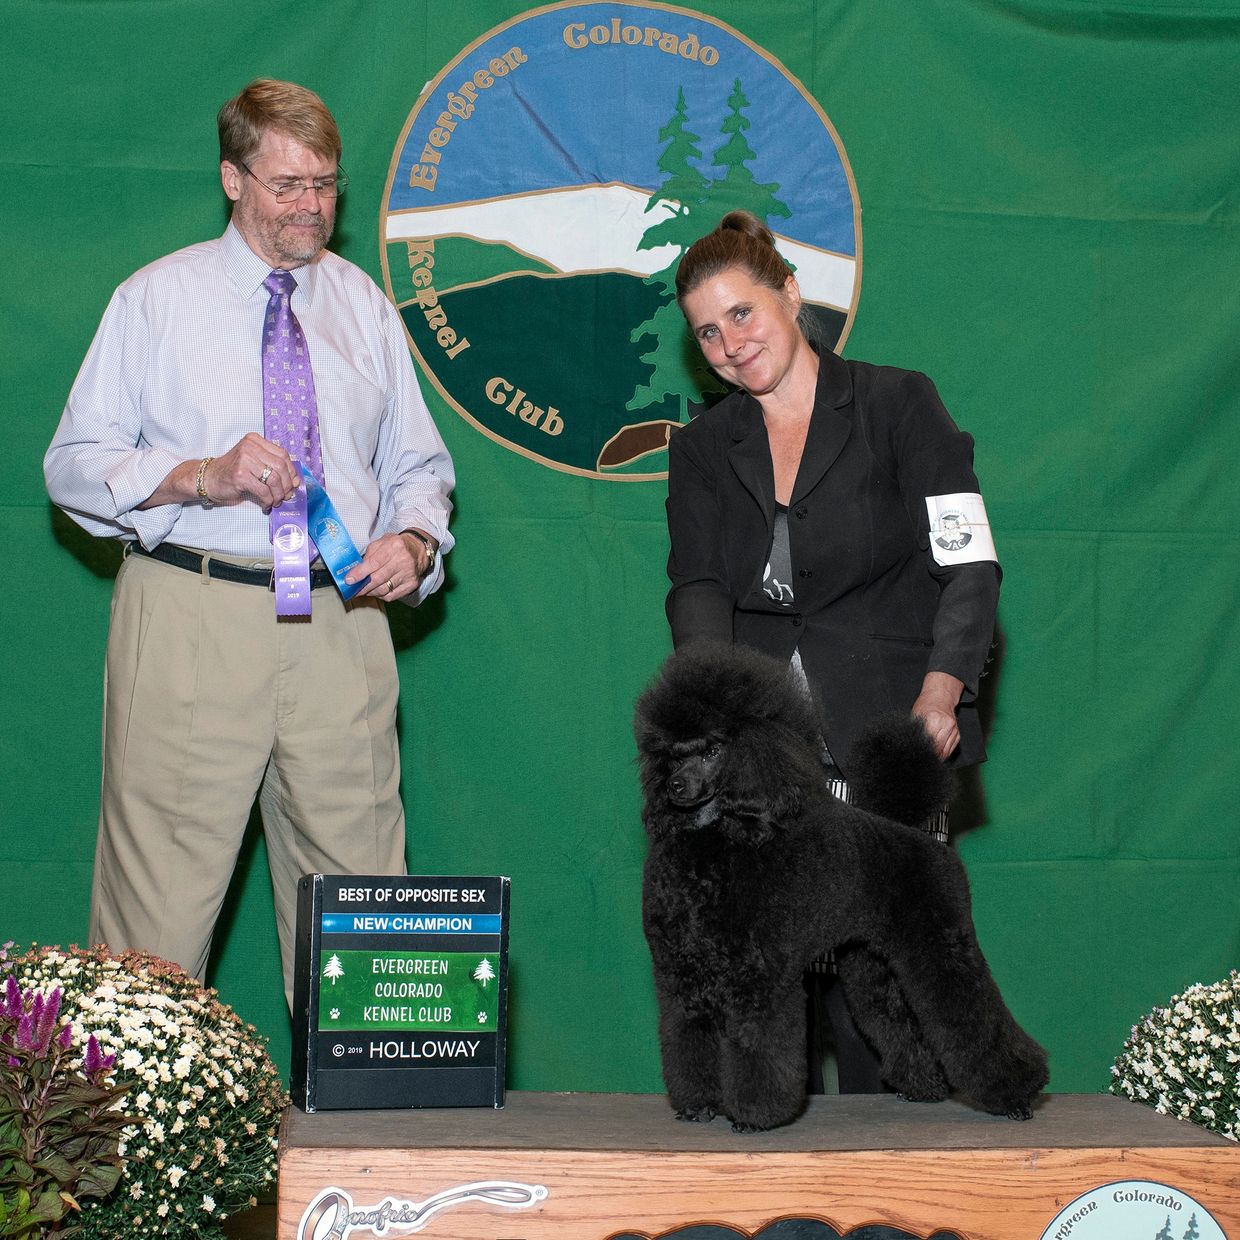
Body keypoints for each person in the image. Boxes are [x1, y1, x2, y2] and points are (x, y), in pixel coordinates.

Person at [44, 79, 454, 1003]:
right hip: (192, 608)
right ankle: (121, 1137)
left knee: (364, 905)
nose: (311, 205)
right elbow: (71, 465)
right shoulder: (154, 300)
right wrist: (200, 475)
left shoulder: (365, 309)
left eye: (326, 183)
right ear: (232, 179)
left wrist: (418, 539)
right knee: (156, 909)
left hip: (342, 622)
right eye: (286, 185)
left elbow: (420, 467)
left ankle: (372, 1132)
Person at [666, 210, 1000, 1090]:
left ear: (790, 293)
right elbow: (696, 586)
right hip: (763, 757)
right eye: (707, 331)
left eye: (742, 314)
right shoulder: (702, 450)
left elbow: (968, 566)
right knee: (756, 984)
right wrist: (717, 720)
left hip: (888, 729)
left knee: (883, 996)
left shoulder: (899, 403)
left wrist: (942, 692)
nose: (730, 344)